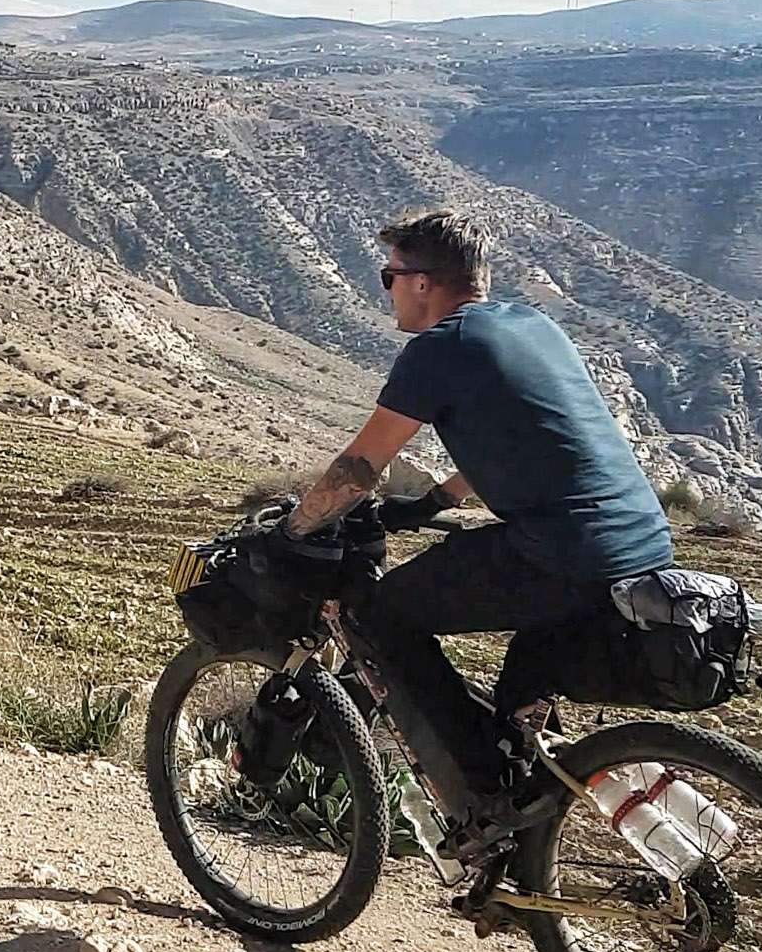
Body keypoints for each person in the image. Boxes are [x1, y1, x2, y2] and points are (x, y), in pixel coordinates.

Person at [263, 206, 673, 853]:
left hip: (561, 550)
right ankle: (525, 848)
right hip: (642, 544)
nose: (387, 288)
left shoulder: (439, 348)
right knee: (520, 706)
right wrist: (435, 499)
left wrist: (294, 528)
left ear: (423, 281)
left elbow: (360, 464)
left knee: (382, 616)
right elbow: (532, 435)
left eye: (387, 274)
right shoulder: (533, 326)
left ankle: (482, 803)